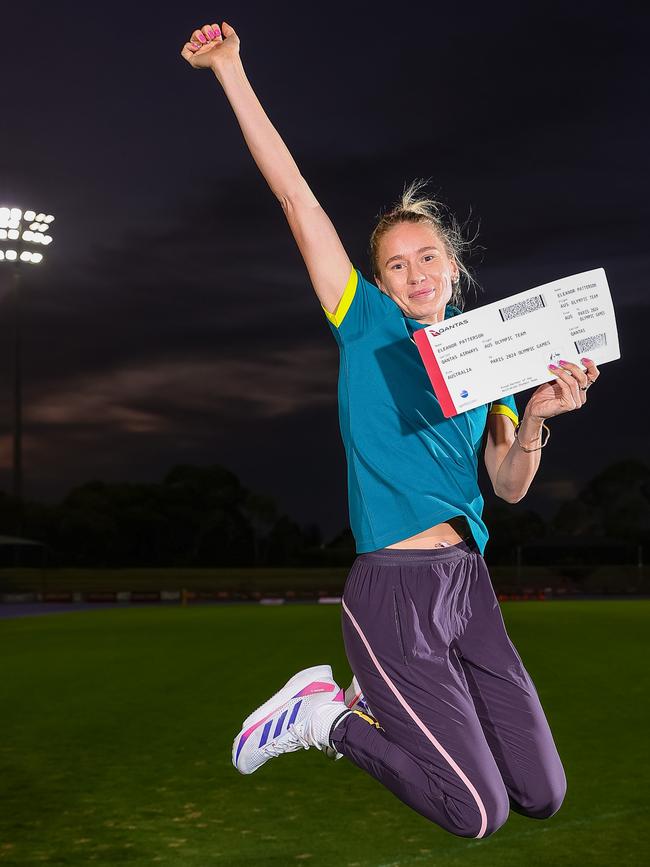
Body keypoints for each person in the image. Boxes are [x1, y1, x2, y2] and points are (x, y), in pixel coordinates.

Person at [181, 21, 600, 839]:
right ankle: (323, 716)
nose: (414, 273)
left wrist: (539, 416)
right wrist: (230, 69)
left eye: (428, 257)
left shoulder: (491, 355)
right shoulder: (365, 324)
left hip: (469, 586)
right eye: (397, 263)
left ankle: (376, 701)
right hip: (394, 590)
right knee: (475, 812)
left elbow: (508, 485)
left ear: (454, 266)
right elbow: (295, 195)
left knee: (543, 794)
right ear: (378, 280)